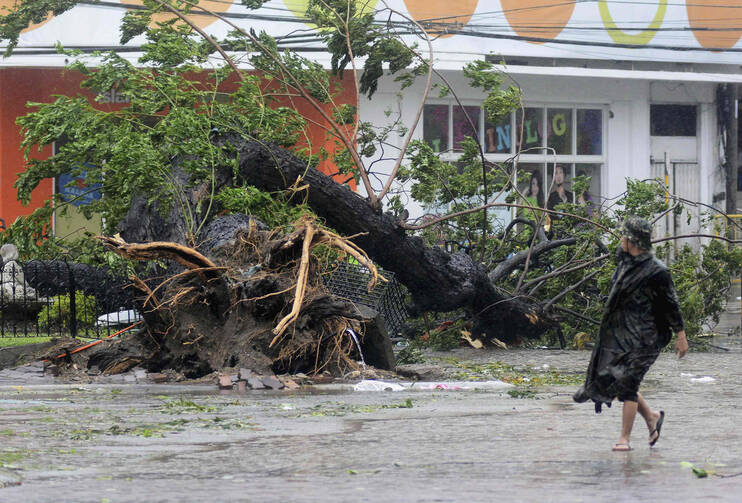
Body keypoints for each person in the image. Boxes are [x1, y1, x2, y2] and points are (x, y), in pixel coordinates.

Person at [573, 216, 689, 451]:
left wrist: (681, 334)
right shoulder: (625, 261)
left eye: (624, 236)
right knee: (619, 379)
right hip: (623, 334)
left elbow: (671, 304)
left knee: (628, 383)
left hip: (648, 337)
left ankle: (624, 438)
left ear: (633, 241)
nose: (621, 239)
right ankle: (652, 417)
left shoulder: (657, 271)